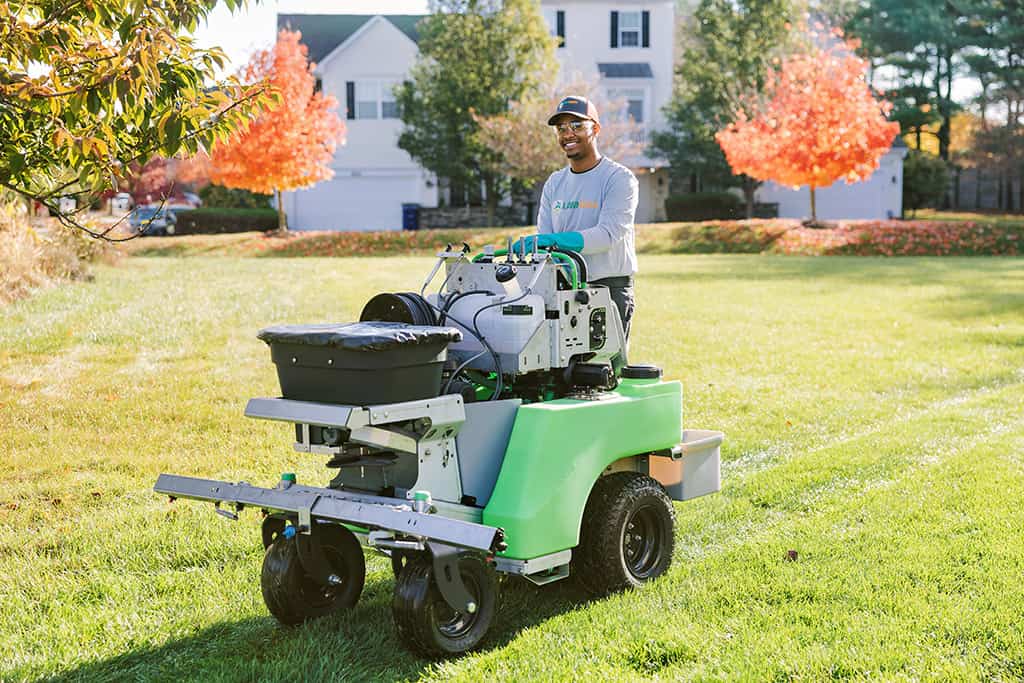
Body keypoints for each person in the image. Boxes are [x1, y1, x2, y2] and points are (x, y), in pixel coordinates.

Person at [514, 95, 639, 341]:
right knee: (560, 373)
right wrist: (541, 245)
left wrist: (551, 241)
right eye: (561, 129)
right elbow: (545, 240)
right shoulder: (555, 182)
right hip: (562, 287)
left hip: (608, 288)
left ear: (596, 129)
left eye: (577, 126)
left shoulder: (618, 179)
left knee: (602, 373)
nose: (567, 134)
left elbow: (607, 236)